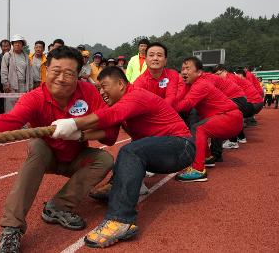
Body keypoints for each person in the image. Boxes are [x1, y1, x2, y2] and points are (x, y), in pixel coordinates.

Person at [0, 46, 118, 253]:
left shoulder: (88, 92)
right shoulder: (35, 97)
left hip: (76, 156)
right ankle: (11, 228)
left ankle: (57, 206)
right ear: (46, 70)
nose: (61, 78)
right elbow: (8, 120)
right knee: (37, 144)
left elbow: (111, 133)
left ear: (79, 76)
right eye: (56, 71)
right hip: (47, 154)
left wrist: (80, 133)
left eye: (69, 73)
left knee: (104, 159)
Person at [51, 66, 195, 248]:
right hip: (163, 150)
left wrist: (73, 123)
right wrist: (80, 135)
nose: (101, 92)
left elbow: (110, 115)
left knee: (131, 151)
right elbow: (109, 136)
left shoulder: (135, 96)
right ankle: (118, 186)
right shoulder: (121, 104)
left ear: (120, 84)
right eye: (99, 88)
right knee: (130, 150)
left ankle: (121, 220)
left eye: (104, 86)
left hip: (181, 146)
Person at [174, 57, 243, 182]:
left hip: (231, 117)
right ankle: (207, 158)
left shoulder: (201, 84)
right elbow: (179, 98)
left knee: (198, 128)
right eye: (183, 69)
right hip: (227, 116)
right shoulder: (191, 84)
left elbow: (186, 104)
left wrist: (164, 106)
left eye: (188, 68)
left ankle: (198, 170)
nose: (184, 71)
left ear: (199, 72)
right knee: (197, 126)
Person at [133, 42, 180, 107]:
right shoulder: (139, 82)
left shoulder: (172, 74)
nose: (155, 58)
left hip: (172, 113)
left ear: (165, 60)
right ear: (145, 60)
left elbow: (171, 96)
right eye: (151, 55)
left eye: (159, 55)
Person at [1, 34, 33, 112]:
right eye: (15, 42)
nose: (17, 44)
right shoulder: (7, 55)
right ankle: (10, 124)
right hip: (11, 86)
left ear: (22, 44)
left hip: (24, 86)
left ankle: (22, 124)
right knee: (11, 109)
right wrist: (5, 83)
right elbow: (3, 70)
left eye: (19, 42)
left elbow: (30, 73)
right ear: (12, 44)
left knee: (23, 107)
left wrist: (30, 86)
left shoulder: (26, 57)